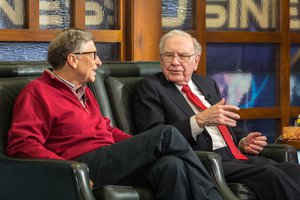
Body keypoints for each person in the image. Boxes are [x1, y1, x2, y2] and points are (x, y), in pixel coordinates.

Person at [6, 28, 222, 200]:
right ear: (73, 60)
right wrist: (68, 171)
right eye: (93, 55)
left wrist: (143, 147)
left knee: (170, 166)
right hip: (81, 164)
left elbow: (107, 130)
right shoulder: (38, 92)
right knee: (167, 134)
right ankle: (212, 197)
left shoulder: (84, 92)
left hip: (108, 158)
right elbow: (22, 144)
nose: (98, 61)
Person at [134, 29, 300, 200]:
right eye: (168, 55)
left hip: (238, 156)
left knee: (295, 171)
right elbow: (155, 136)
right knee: (270, 174)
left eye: (182, 56)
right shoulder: (151, 88)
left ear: (195, 60)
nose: (175, 62)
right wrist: (199, 121)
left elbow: (227, 124)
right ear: (161, 59)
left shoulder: (206, 84)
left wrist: (243, 142)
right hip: (206, 161)